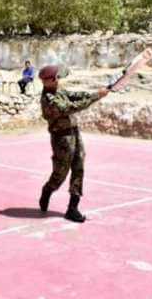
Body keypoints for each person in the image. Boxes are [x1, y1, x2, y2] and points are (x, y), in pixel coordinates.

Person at [37, 64, 109, 222]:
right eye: (54, 78)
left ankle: (72, 207)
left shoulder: (58, 90)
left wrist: (95, 92)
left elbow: (74, 95)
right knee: (60, 173)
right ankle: (48, 190)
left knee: (79, 166)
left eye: (57, 77)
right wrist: (96, 97)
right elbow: (71, 107)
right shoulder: (49, 100)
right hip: (61, 138)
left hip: (73, 132)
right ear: (45, 81)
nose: (57, 80)